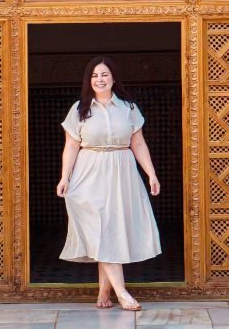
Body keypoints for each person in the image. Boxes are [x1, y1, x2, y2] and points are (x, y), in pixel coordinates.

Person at [57, 56, 162, 311]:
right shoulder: (79, 109)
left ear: (113, 78)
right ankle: (122, 292)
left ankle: (104, 292)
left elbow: (138, 143)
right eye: (94, 75)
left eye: (104, 74)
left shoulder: (129, 108)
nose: (100, 79)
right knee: (99, 229)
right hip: (88, 173)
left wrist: (151, 173)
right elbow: (71, 146)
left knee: (111, 229)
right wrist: (64, 177)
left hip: (122, 171)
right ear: (88, 80)